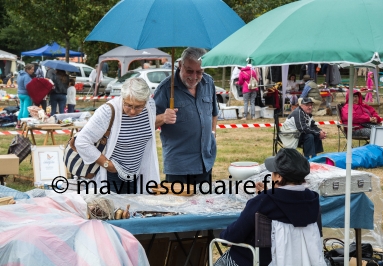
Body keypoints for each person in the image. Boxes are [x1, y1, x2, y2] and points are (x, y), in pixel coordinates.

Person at [215, 148, 325, 266]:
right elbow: (288, 203)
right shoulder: (312, 199)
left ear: (278, 177)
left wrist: (263, 196)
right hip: (304, 261)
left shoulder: (264, 201)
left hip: (259, 261)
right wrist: (267, 193)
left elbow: (231, 236)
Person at [75, 77, 160, 193]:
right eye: (129, 105)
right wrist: (107, 164)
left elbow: (143, 133)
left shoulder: (150, 106)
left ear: (146, 100)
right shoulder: (108, 112)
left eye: (139, 106)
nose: (133, 111)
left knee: (134, 210)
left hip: (137, 174)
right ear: (122, 98)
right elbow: (81, 142)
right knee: (114, 210)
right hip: (111, 177)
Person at [153, 47, 218, 185]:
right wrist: (163, 118)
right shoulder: (165, 89)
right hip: (179, 167)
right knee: (179, 206)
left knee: (204, 205)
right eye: (189, 71)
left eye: (199, 72)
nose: (194, 77)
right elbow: (147, 123)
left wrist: (212, 133)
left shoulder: (208, 83)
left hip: (205, 162)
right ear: (180, 65)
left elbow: (213, 113)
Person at [16, 64, 34, 129]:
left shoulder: (20, 75)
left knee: (21, 109)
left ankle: (18, 124)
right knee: (26, 109)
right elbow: (28, 86)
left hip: (20, 94)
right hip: (26, 94)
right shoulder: (27, 76)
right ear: (27, 70)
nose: (33, 71)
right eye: (32, 69)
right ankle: (24, 124)